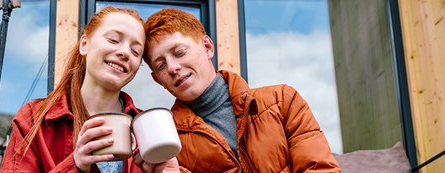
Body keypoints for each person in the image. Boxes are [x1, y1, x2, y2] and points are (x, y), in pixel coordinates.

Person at [142, 8, 341, 172]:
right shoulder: (169, 143)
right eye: (160, 66)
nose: (172, 67)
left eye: (179, 53)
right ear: (158, 80)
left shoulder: (282, 101)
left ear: (208, 46)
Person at [0, 6, 178, 173]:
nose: (124, 52)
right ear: (84, 44)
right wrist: (75, 165)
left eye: (135, 51)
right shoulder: (33, 119)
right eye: (114, 40)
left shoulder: (146, 129)